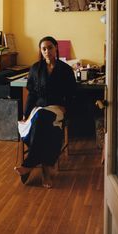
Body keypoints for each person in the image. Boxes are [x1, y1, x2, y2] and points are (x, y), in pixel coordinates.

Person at [14, 36, 76, 188]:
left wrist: (66, 107)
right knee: (44, 124)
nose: (47, 51)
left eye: (50, 48)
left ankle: (29, 164)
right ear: (40, 51)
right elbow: (32, 95)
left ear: (56, 48)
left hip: (57, 108)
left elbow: (72, 93)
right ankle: (45, 172)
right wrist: (25, 114)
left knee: (41, 119)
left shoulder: (66, 69)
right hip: (40, 108)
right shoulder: (36, 68)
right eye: (44, 49)